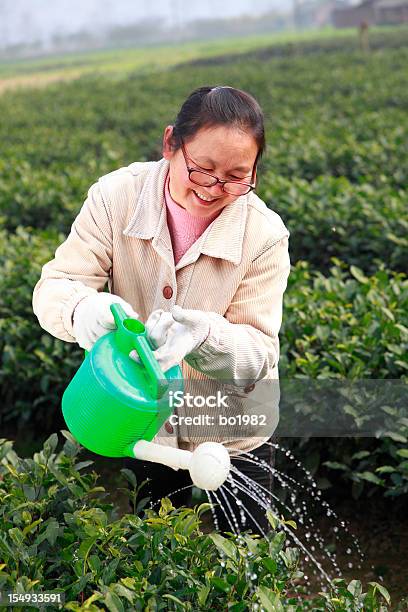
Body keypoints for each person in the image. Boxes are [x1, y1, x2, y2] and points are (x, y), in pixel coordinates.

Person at [32, 85, 290, 536]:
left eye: (236, 176)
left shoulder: (264, 235)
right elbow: (56, 285)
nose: (215, 188)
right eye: (202, 169)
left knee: (251, 561)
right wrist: (81, 310)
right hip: (148, 425)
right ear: (171, 143)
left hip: (235, 427)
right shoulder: (116, 198)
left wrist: (206, 338)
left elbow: (259, 355)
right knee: (157, 555)